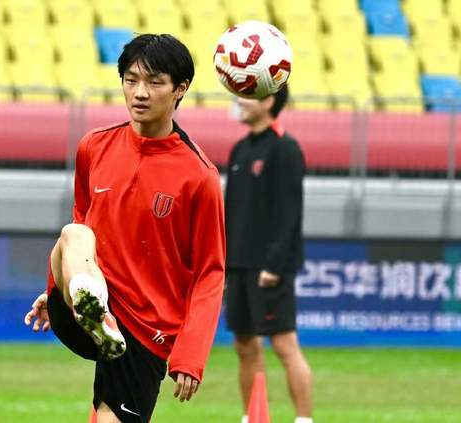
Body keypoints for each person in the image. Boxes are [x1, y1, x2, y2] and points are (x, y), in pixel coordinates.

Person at [24, 34, 226, 423]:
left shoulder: (199, 177)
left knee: (108, 417)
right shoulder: (93, 146)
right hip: (94, 302)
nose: (140, 92)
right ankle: (91, 306)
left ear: (180, 89)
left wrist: (191, 354)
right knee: (74, 233)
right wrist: (59, 288)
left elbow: (210, 272)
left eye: (154, 82)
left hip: (145, 329)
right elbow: (84, 217)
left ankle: (97, 314)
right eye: (131, 80)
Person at [224, 85, 313, 423]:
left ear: (269, 100)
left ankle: (303, 419)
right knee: (244, 345)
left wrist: (274, 265)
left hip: (269, 268)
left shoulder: (285, 148)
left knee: (284, 345)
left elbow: (289, 213)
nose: (240, 100)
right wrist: (224, 265)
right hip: (238, 265)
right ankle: (253, 417)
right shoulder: (240, 149)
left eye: (248, 94)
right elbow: (231, 212)